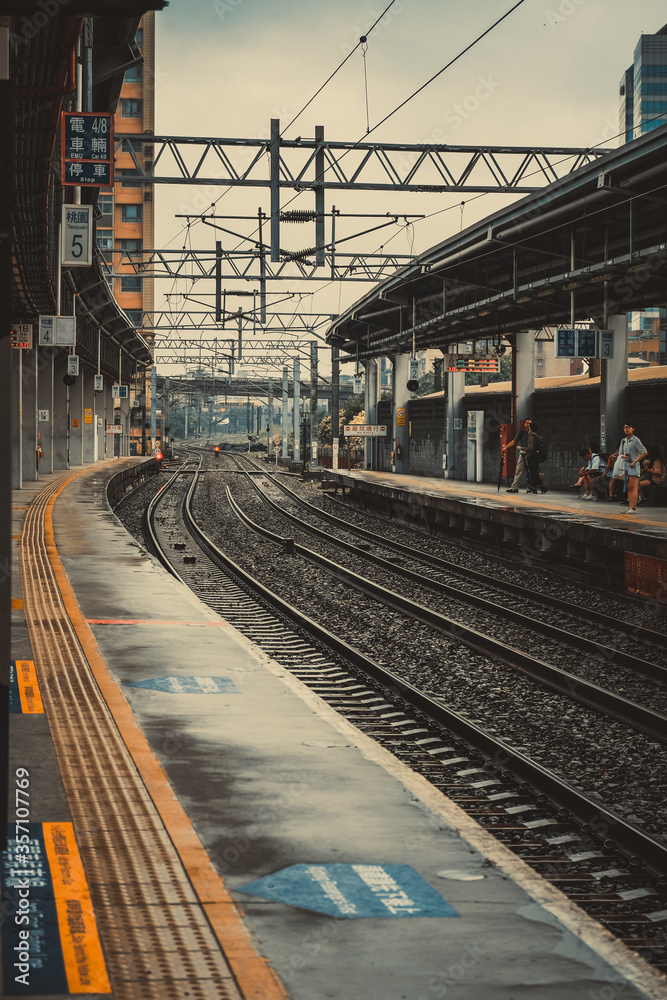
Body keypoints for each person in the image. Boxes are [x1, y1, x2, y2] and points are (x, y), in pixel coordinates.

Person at [616, 422, 648, 514]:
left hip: (633, 466)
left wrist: (635, 461)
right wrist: (624, 456)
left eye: (628, 427)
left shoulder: (636, 440)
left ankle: (633, 507)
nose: (626, 429)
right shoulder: (623, 440)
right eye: (625, 427)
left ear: (633, 429)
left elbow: (644, 452)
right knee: (629, 487)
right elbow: (620, 453)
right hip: (626, 465)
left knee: (633, 487)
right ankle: (630, 506)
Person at [502, 418, 532, 493]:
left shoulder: (534, 433)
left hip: (531, 453)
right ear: (524, 424)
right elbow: (513, 441)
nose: (528, 425)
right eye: (527, 423)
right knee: (518, 470)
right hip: (522, 453)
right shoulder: (522, 433)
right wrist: (506, 447)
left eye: (530, 423)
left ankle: (531, 487)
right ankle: (514, 487)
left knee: (531, 471)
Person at [525, 422, 547, 494]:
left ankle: (534, 487)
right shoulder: (538, 436)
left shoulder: (531, 436)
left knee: (532, 473)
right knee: (535, 472)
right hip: (537, 456)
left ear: (531, 428)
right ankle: (541, 486)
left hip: (531, 456)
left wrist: (521, 448)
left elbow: (530, 448)